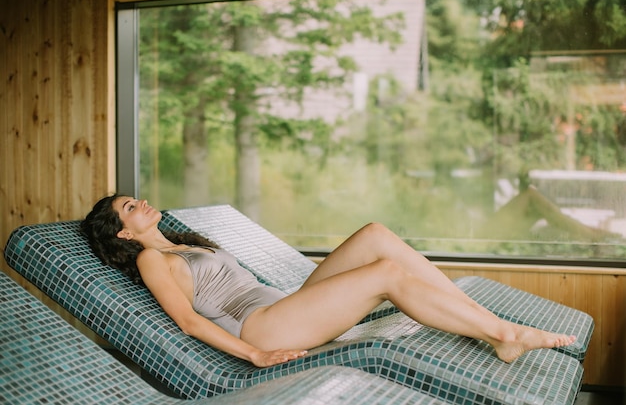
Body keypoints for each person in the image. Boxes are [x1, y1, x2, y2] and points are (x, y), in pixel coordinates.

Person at [81, 194, 576, 368]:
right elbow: (188, 321)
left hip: (287, 306)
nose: (140, 202)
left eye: (134, 197)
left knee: (376, 237)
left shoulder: (185, 242)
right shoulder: (151, 261)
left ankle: (492, 325)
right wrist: (254, 354)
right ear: (125, 232)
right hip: (266, 328)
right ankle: (505, 335)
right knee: (385, 275)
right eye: (130, 207)